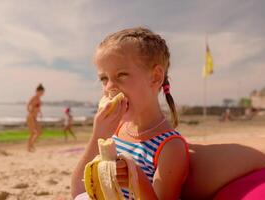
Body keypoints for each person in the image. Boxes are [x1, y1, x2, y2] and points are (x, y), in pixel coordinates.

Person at [71, 27, 189, 199]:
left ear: (155, 77)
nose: (109, 87)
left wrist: (136, 179)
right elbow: (78, 191)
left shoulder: (170, 147)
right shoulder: (116, 130)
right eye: (104, 79)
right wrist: (98, 134)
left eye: (121, 75)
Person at [26, 83, 45, 152]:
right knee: (32, 133)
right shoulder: (33, 98)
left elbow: (38, 108)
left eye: (43, 92)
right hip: (30, 117)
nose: (42, 93)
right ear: (37, 91)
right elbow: (28, 105)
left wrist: (40, 113)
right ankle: (29, 147)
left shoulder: (39, 100)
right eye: (41, 92)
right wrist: (29, 112)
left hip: (35, 118)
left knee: (39, 132)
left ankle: (31, 145)